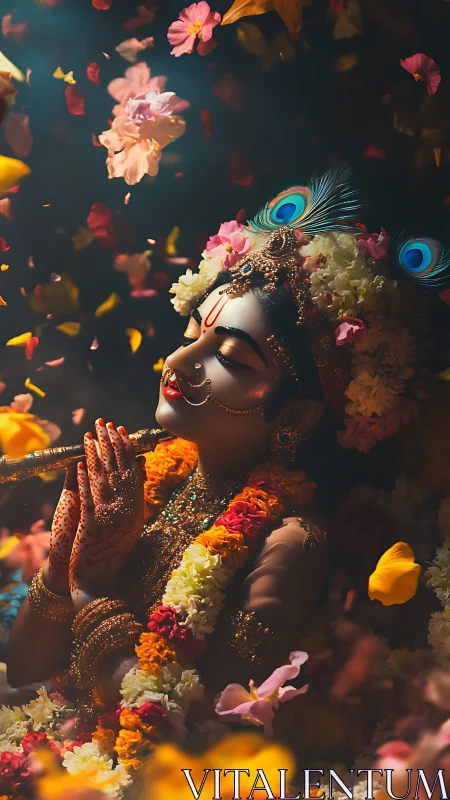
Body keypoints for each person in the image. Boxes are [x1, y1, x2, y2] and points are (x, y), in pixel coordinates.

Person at [4, 169, 427, 775]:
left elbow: (188, 740)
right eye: (191, 333)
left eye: (229, 357)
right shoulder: (150, 483)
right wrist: (65, 556)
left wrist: (94, 586)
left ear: (297, 415)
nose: (179, 361)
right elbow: (25, 669)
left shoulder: (289, 543)